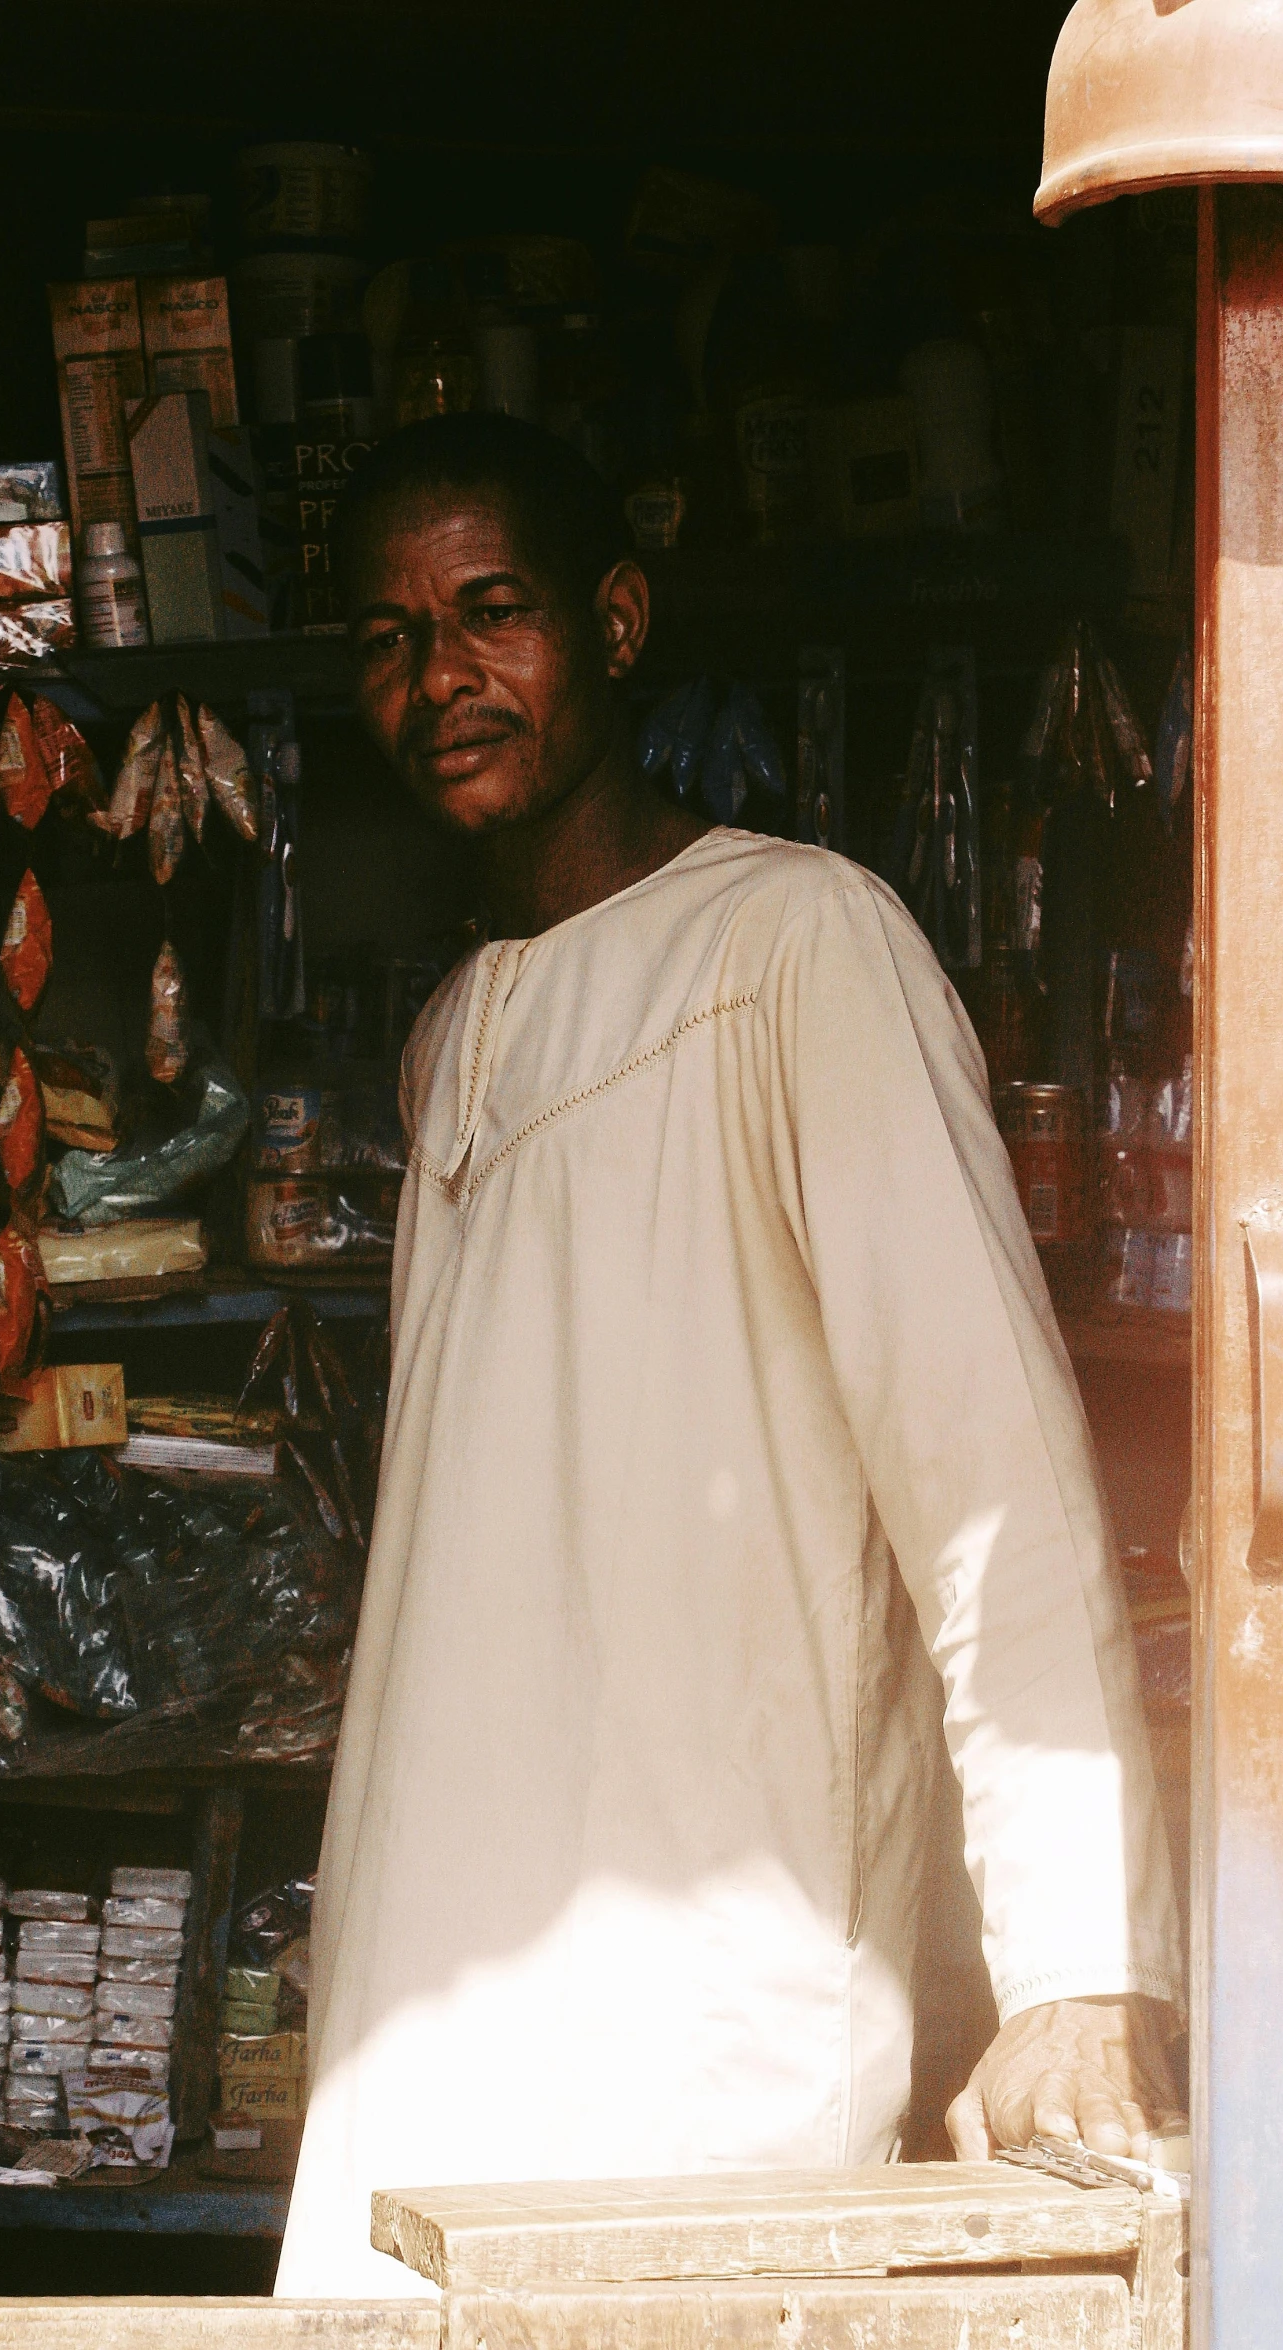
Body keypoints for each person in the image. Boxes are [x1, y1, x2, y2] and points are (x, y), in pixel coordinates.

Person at [273, 413, 1183, 2299]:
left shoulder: (798, 946)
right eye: (385, 636)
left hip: (700, 1998)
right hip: (428, 1977)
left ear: (614, 620)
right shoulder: (454, 1032)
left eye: (491, 611)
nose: (438, 676)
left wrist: (1080, 1967)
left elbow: (989, 1481)